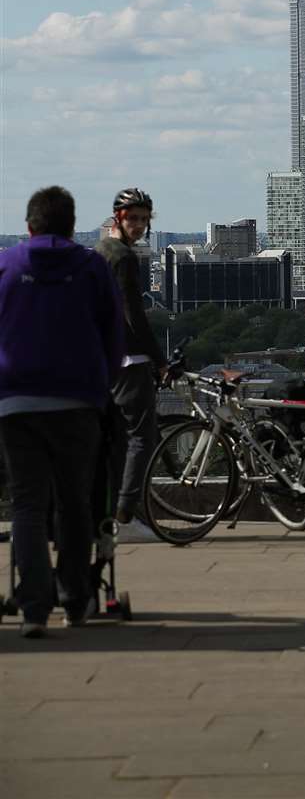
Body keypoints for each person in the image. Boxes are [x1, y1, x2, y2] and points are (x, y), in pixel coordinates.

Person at [0, 187, 124, 638]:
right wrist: (101, 382)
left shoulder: (7, 264)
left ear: (29, 225)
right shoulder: (91, 266)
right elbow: (114, 332)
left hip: (15, 400)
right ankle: (75, 600)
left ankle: (34, 607)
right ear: (72, 225)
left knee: (28, 505)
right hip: (77, 400)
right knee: (75, 504)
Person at [94, 186, 167, 542]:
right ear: (118, 219)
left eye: (143, 219)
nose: (138, 225)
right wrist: (161, 359)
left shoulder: (99, 251)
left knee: (117, 438)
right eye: (132, 218)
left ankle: (112, 514)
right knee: (142, 436)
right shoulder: (123, 256)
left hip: (104, 356)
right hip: (129, 357)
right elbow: (134, 314)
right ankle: (125, 513)